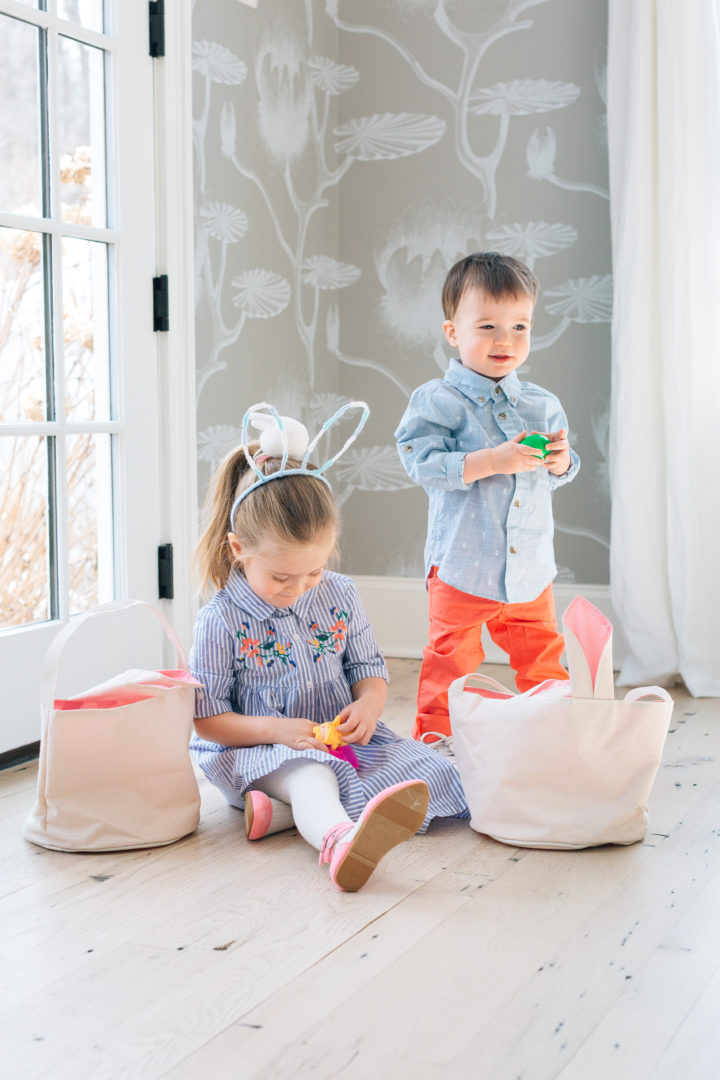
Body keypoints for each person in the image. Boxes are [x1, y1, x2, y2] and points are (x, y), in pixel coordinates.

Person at [189, 401, 469, 892]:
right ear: (239, 550)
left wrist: (370, 703)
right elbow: (208, 722)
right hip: (261, 751)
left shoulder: (339, 593)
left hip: (342, 743)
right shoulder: (221, 620)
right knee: (311, 776)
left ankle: (276, 816)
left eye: (313, 571)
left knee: (429, 769)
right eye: (281, 577)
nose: (299, 588)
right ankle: (342, 841)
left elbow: (367, 667)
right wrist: (278, 730)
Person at [395, 252, 581, 750]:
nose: (506, 341)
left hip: (529, 568)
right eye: (488, 326)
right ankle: (436, 743)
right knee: (450, 659)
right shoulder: (437, 400)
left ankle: (552, 734)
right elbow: (422, 463)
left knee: (542, 654)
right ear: (453, 332)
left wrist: (560, 461)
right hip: (463, 566)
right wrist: (492, 460)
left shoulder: (541, 404)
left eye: (520, 326)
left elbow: (562, 474)